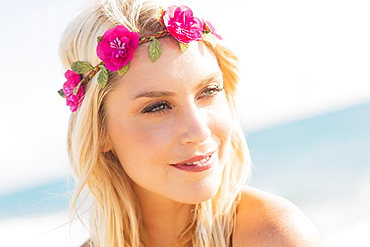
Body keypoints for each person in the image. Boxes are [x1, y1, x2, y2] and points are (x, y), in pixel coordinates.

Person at [58, 0, 322, 246]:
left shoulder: (273, 235)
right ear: (100, 132)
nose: (199, 131)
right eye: (157, 107)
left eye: (209, 91)